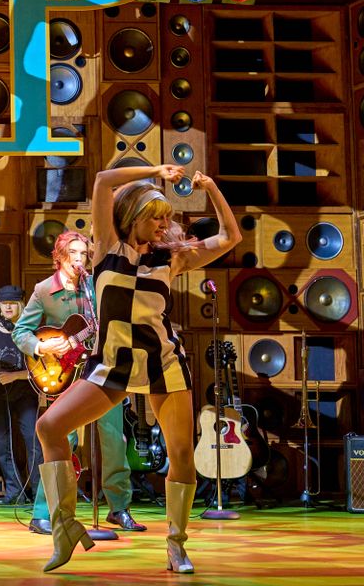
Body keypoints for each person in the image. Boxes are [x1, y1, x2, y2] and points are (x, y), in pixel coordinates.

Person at [33, 166, 240, 574]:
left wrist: (212, 187)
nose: (164, 224)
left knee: (182, 454)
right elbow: (102, 181)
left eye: (167, 217)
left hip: (163, 363)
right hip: (112, 364)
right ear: (132, 217)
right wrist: (154, 170)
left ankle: (177, 545)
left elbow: (231, 237)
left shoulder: (171, 258)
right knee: (49, 427)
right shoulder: (108, 247)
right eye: (156, 216)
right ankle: (65, 529)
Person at [13, 231, 144, 535]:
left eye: (83, 253)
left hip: (99, 372)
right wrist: (41, 347)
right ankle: (44, 513)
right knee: (62, 440)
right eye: (72, 252)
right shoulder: (44, 290)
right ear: (58, 256)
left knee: (113, 439)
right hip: (65, 376)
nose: (78, 258)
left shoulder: (93, 286)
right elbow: (21, 332)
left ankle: (119, 509)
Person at [0, 285, 41, 505]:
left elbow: (43, 369)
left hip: (25, 393)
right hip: (0, 393)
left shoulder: (31, 331)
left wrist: (17, 376)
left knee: (33, 441)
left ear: (20, 305)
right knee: (3, 443)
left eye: (12, 303)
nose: (7, 307)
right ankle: (15, 492)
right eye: (3, 304)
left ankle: (37, 491)